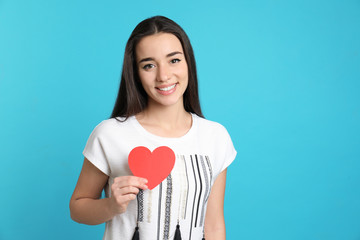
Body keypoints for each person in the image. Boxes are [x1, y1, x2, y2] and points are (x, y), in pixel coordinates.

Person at [69, 16, 237, 240]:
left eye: (174, 60)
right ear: (136, 74)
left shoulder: (215, 137)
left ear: (188, 62)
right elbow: (77, 208)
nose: (163, 76)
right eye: (149, 65)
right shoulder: (109, 134)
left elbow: (214, 226)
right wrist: (112, 206)